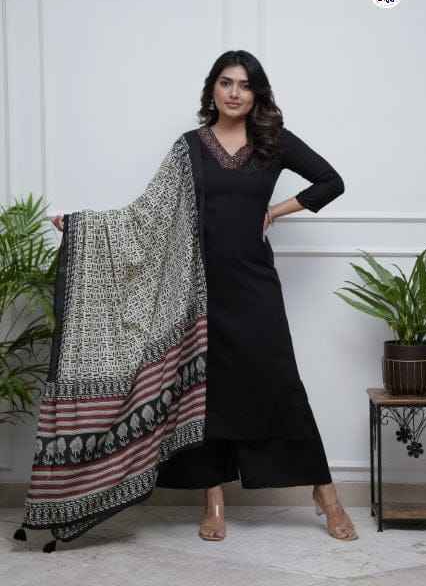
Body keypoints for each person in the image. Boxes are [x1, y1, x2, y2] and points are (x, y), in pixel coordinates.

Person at [51, 49, 358, 543]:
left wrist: (274, 212)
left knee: (281, 384)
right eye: (226, 82)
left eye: (245, 85)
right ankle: (213, 502)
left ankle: (326, 495)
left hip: (254, 284)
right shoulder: (189, 147)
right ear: (212, 89)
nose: (235, 93)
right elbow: (146, 214)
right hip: (197, 288)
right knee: (204, 394)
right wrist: (83, 227)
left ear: (257, 94)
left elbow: (331, 182)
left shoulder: (273, 142)